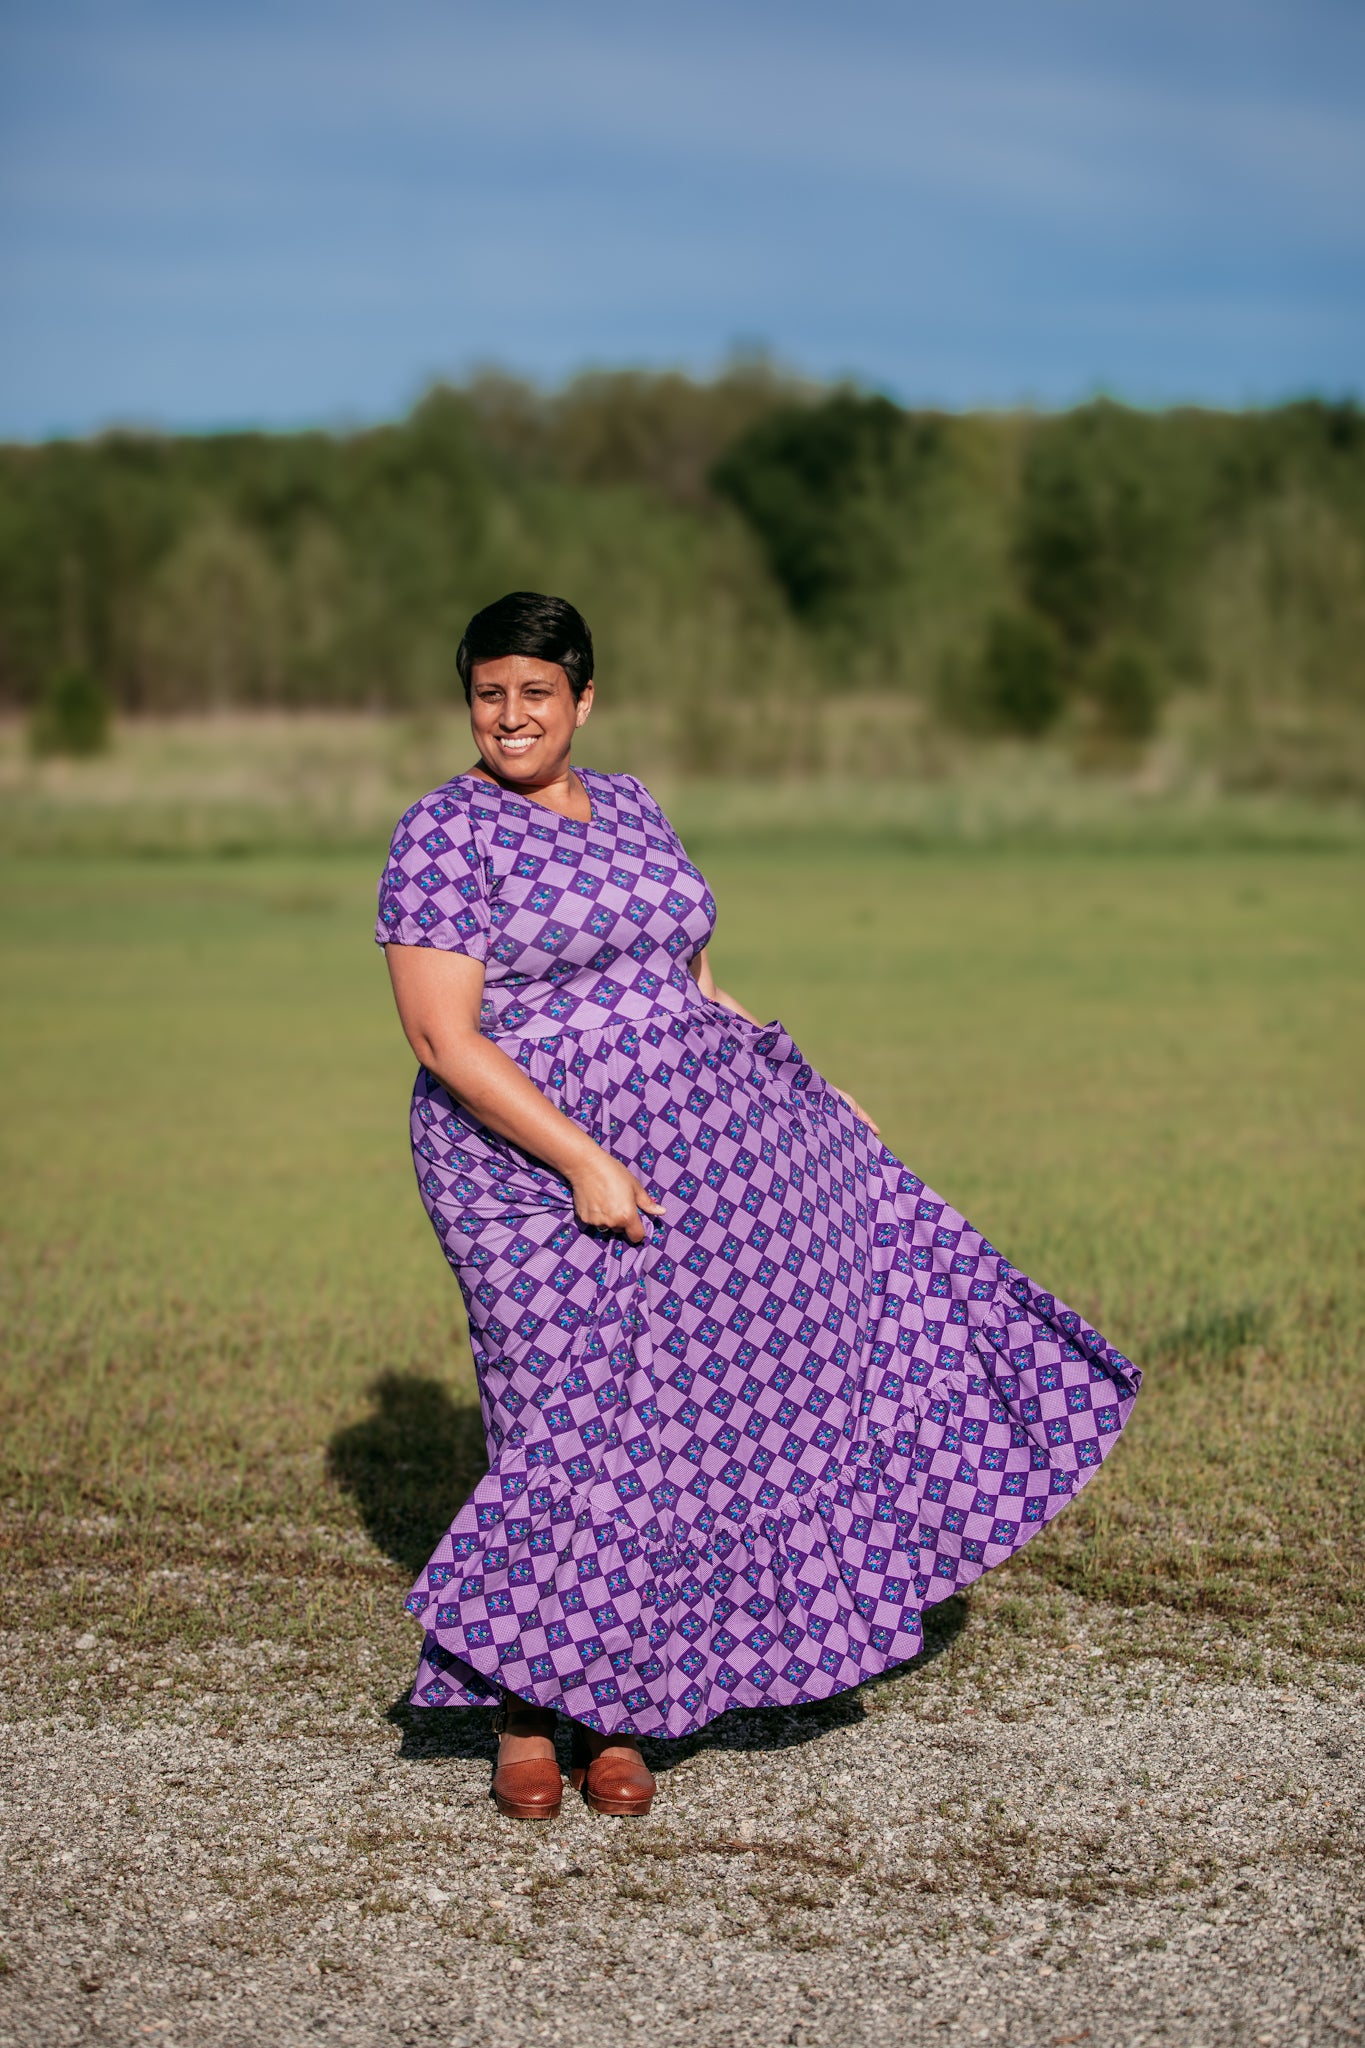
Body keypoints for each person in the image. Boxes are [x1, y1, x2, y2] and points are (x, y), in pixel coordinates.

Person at [376, 590, 1140, 1820]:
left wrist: (814, 1088)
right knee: (560, 1416)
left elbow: (694, 983)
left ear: (583, 699)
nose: (511, 715)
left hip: (699, 1140)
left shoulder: (633, 803)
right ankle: (522, 1707)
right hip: (522, 1163)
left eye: (536, 692)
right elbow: (440, 1035)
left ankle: (619, 1708)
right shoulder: (442, 831)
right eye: (489, 692)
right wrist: (582, 1159)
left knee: (674, 1420)